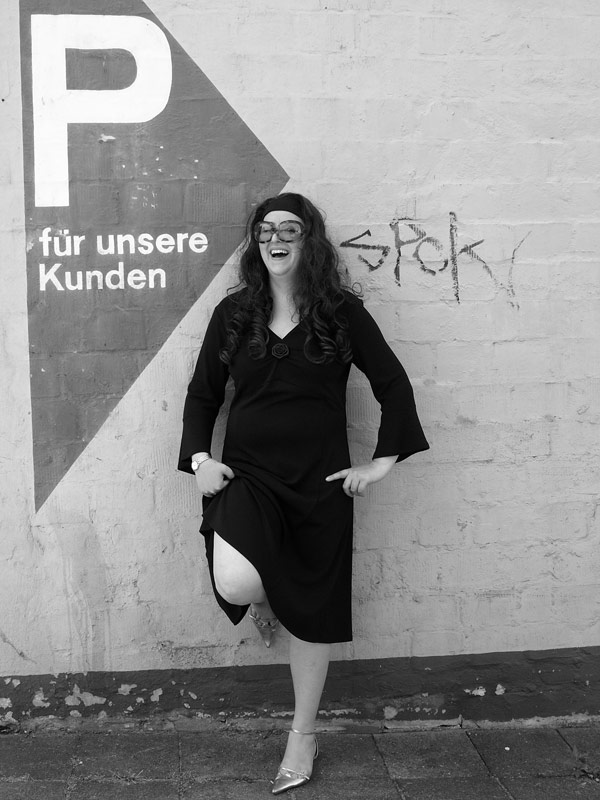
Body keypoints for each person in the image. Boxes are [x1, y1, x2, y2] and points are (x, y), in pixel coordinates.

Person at [178, 192, 429, 794]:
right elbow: (202, 394)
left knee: (313, 616)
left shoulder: (340, 312)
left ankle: (303, 735)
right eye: (266, 230)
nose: (276, 239)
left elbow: (393, 383)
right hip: (249, 478)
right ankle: (269, 600)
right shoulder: (234, 313)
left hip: (320, 484)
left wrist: (380, 464)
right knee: (238, 583)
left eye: (290, 229)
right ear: (256, 243)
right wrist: (201, 459)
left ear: (309, 240)